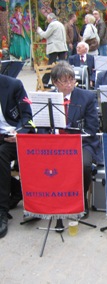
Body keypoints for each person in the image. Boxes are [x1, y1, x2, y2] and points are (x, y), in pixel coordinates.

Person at [49, 61, 101, 219]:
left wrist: (73, 136)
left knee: (84, 164)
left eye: (72, 79)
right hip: (55, 142)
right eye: (65, 81)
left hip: (81, 142)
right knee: (38, 159)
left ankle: (81, 198)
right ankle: (49, 198)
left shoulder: (87, 96)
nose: (69, 84)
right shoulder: (49, 97)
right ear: (55, 82)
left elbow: (93, 128)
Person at [0, 70, 33, 238]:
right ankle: (17, 189)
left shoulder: (13, 85)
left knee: (1, 154)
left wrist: (20, 132)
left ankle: (2, 210)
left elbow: (28, 115)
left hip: (13, 135)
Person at [37, 13, 68, 85]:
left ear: (50, 18)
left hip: (55, 47)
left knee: (51, 64)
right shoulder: (60, 24)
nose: (47, 20)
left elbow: (45, 35)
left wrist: (39, 31)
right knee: (62, 65)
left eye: (48, 19)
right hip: (62, 47)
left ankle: (44, 81)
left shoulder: (52, 24)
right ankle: (61, 80)